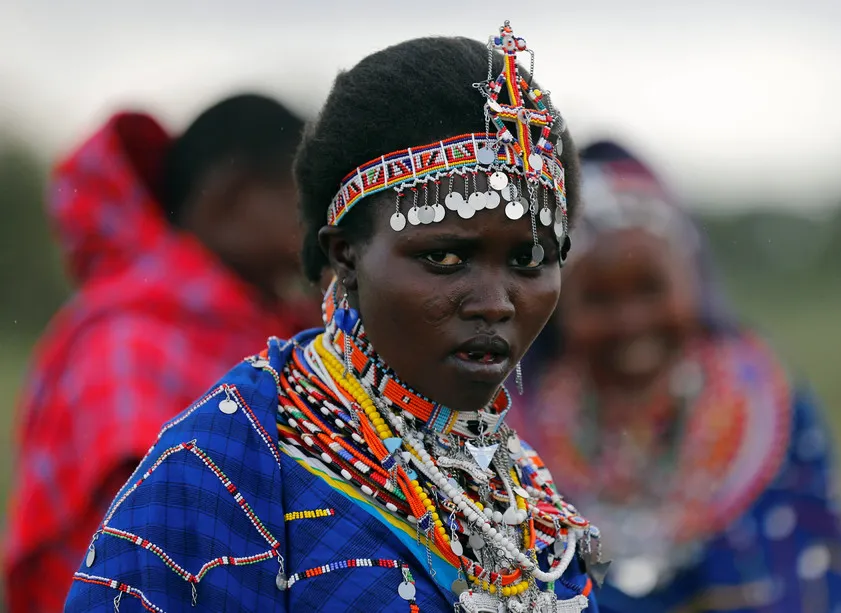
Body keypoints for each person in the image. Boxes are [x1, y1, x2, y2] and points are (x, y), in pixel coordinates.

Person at [63, 24, 604, 613]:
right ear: (345, 254)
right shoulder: (223, 469)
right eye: (445, 257)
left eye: (530, 259)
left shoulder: (523, 490)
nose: (496, 302)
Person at [508, 140, 841, 613]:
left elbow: (819, 580)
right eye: (597, 299)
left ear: (693, 280)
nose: (630, 322)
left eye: (650, 288)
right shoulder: (516, 437)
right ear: (557, 308)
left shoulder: (769, 415)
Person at [5, 93, 313, 612]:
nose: (319, 227)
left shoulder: (265, 329)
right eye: (301, 199)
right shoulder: (128, 348)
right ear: (230, 199)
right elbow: (137, 563)